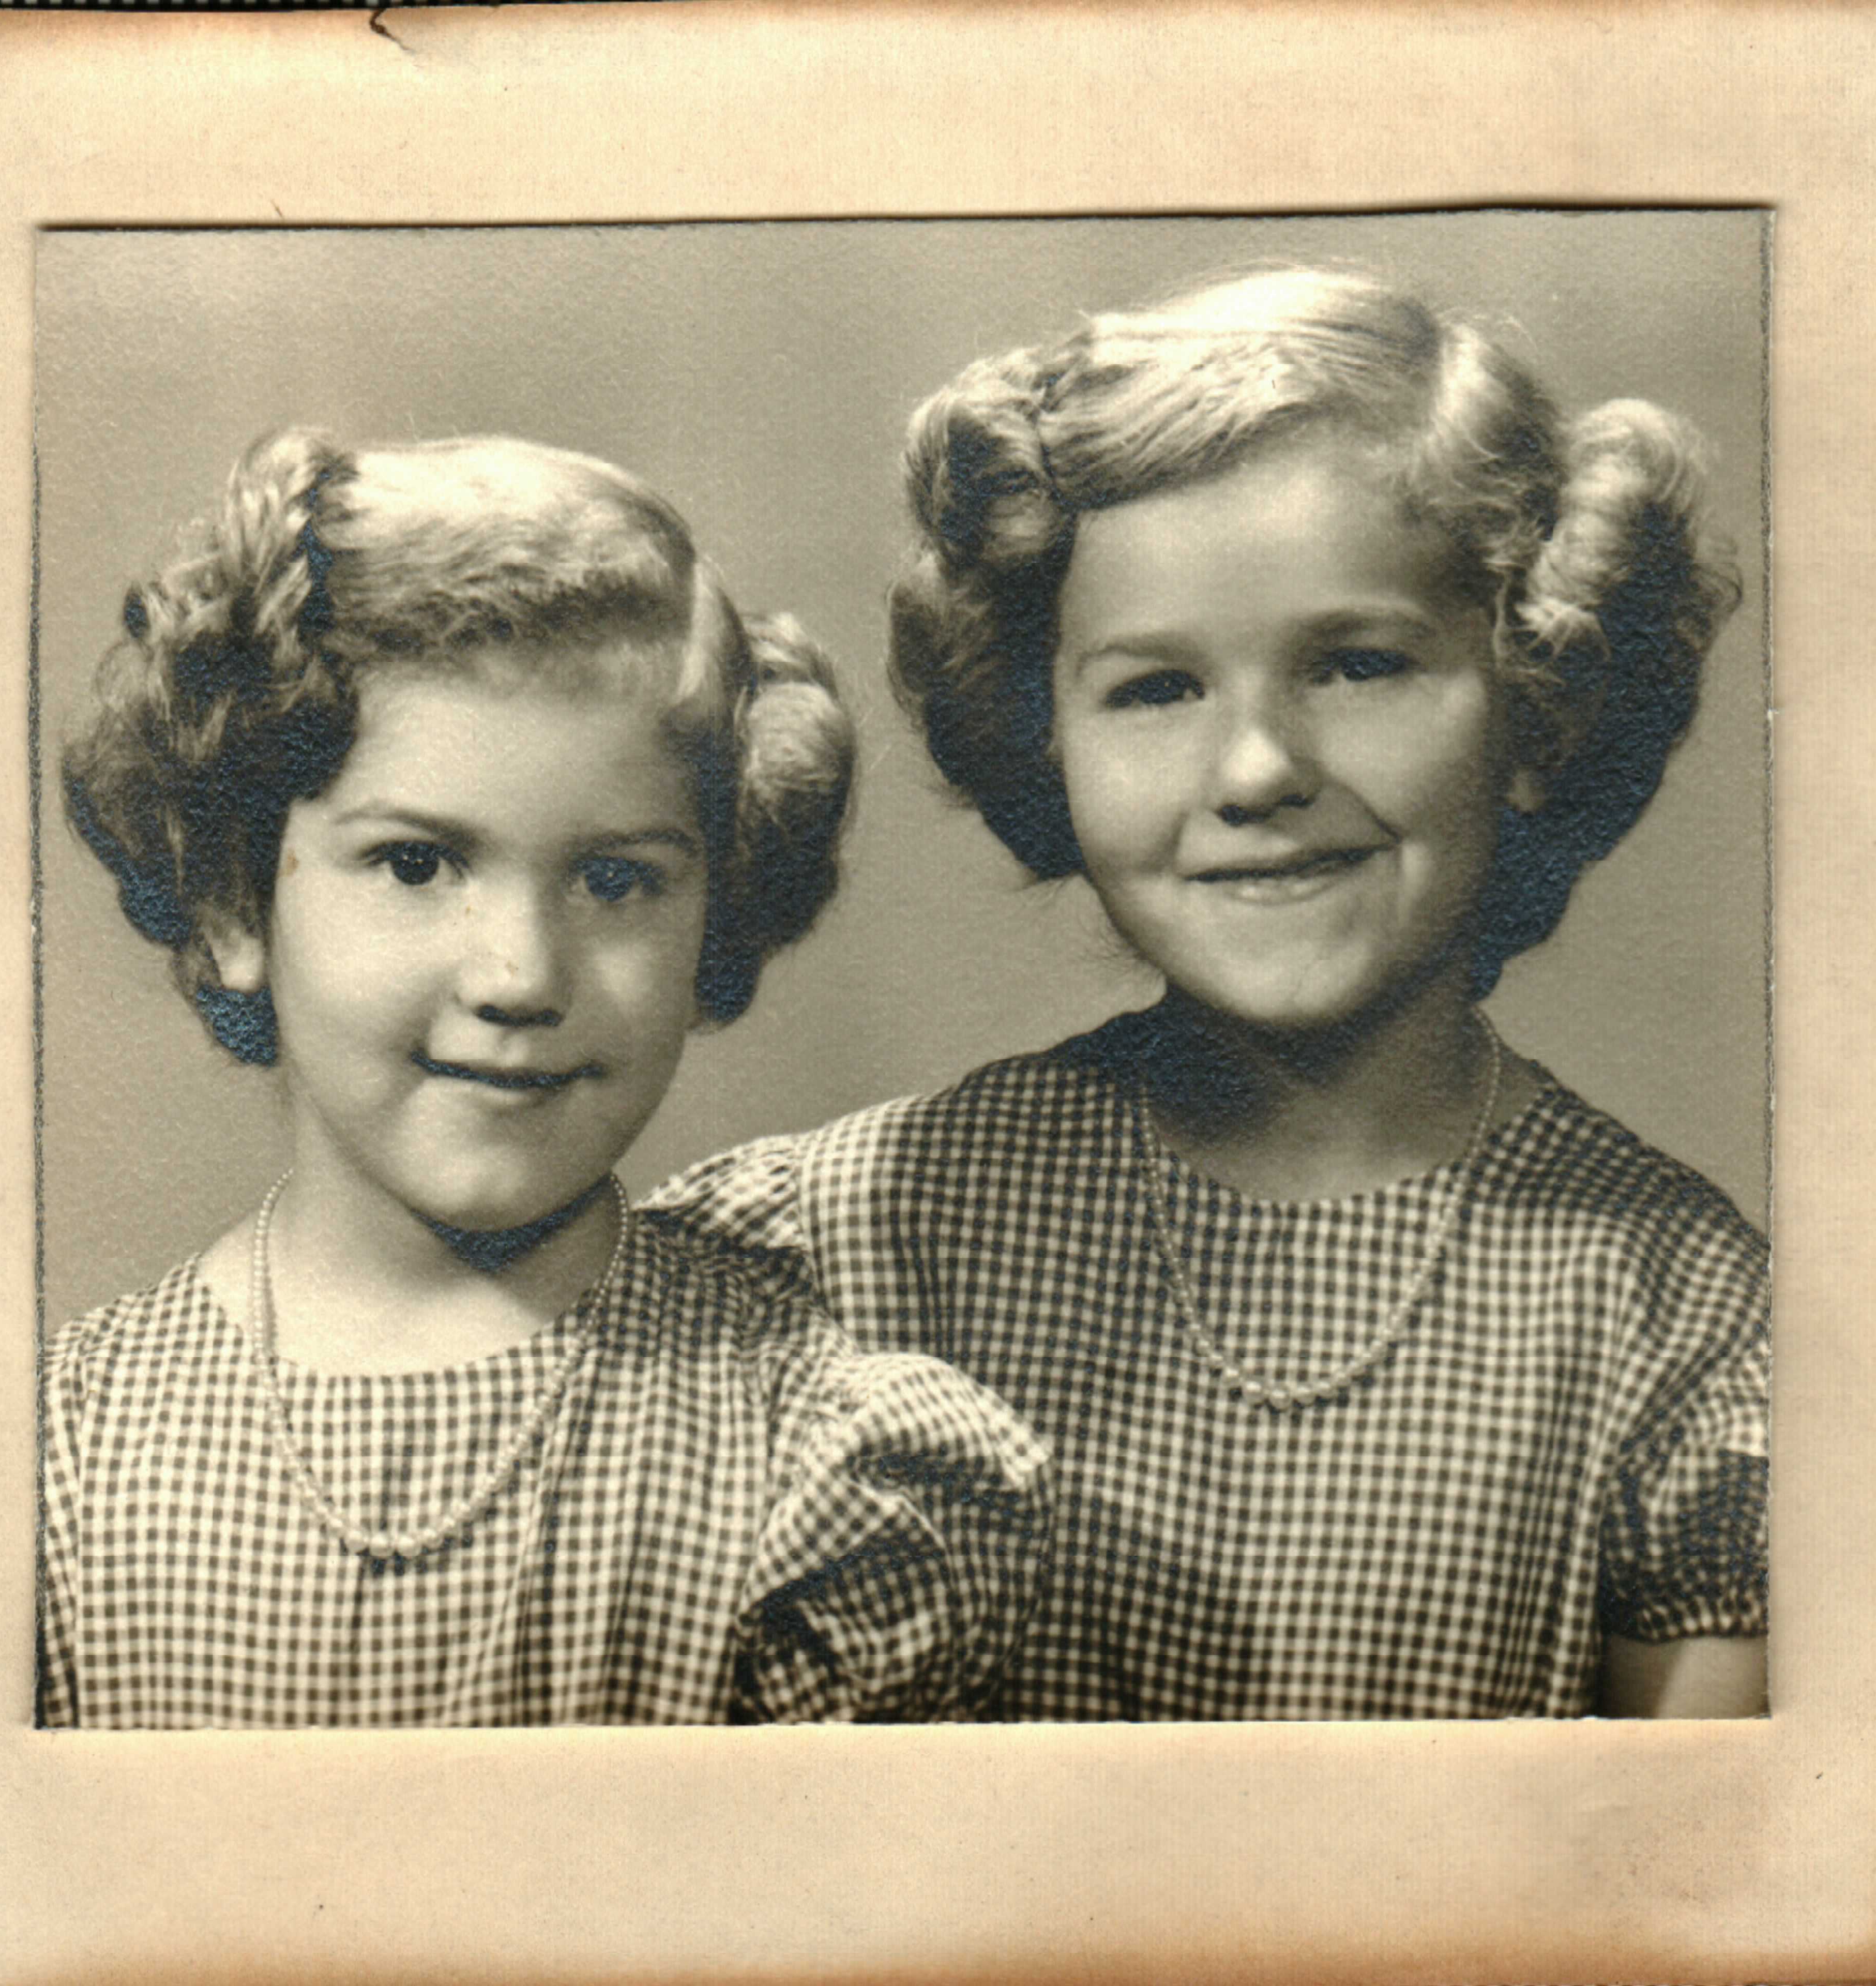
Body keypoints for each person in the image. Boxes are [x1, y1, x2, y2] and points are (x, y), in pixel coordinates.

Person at [649, 268, 1768, 1721]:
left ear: (1540, 703)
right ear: (1043, 738)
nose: (1256, 772)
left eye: (1357, 665)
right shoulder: (835, 1246)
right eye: (1157, 690)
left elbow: (1694, 1853)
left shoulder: (1678, 1318)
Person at [42, 430, 1047, 1729]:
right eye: (416, 865)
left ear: (717, 913)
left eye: (615, 880)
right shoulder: (59, 1459)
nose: (520, 975)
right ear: (237, 900)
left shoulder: (825, 1476)